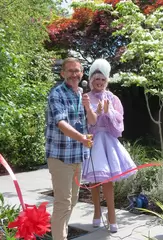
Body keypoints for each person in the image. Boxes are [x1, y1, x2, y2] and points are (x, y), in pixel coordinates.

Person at [82, 59, 137, 232]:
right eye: (96, 80)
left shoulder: (112, 98)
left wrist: (108, 112)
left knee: (107, 181)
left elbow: (119, 125)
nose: (99, 83)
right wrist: (96, 112)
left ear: (106, 81)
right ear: (91, 81)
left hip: (108, 142)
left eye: (102, 80)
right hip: (93, 140)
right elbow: (87, 123)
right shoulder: (86, 97)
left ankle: (112, 215)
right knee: (94, 181)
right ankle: (97, 212)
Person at [46, 57, 95, 240]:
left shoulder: (81, 93)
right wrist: (82, 138)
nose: (74, 74)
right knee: (63, 203)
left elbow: (91, 121)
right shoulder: (56, 93)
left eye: (77, 71)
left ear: (82, 73)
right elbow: (61, 123)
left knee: (72, 201)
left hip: (77, 156)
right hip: (60, 157)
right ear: (63, 73)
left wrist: (88, 107)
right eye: (70, 71)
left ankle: (61, 234)